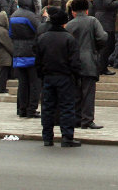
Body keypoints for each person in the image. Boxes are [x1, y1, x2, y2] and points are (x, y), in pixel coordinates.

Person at [35, 9, 82, 147]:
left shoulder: (42, 38)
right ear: (64, 23)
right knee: (67, 107)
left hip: (48, 77)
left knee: (47, 108)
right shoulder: (69, 38)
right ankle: (67, 137)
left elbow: (37, 60)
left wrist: (41, 75)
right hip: (65, 78)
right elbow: (74, 62)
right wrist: (76, 76)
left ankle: (47, 137)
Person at [65, 0, 108, 130]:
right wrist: (95, 49)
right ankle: (87, 120)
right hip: (89, 61)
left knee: (76, 92)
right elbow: (102, 37)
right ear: (87, 10)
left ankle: (76, 119)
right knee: (88, 92)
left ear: (73, 12)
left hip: (73, 62)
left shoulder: (69, 25)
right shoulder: (93, 21)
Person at [10, 0, 42, 118]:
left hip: (18, 53)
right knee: (34, 83)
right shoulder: (30, 16)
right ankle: (31, 109)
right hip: (31, 53)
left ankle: (22, 109)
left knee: (22, 84)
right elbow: (40, 30)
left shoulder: (13, 16)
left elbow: (11, 34)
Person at [94, 0, 118, 76]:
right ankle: (102, 67)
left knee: (104, 45)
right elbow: (108, 4)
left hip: (100, 17)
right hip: (106, 20)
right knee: (108, 45)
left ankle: (101, 67)